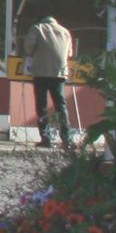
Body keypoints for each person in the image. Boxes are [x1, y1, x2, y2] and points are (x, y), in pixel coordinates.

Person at [22, 14, 75, 147]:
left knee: (42, 106)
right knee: (61, 105)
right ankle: (66, 138)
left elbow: (28, 48)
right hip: (60, 73)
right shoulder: (65, 31)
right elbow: (69, 54)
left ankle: (46, 138)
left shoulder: (37, 28)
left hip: (41, 72)